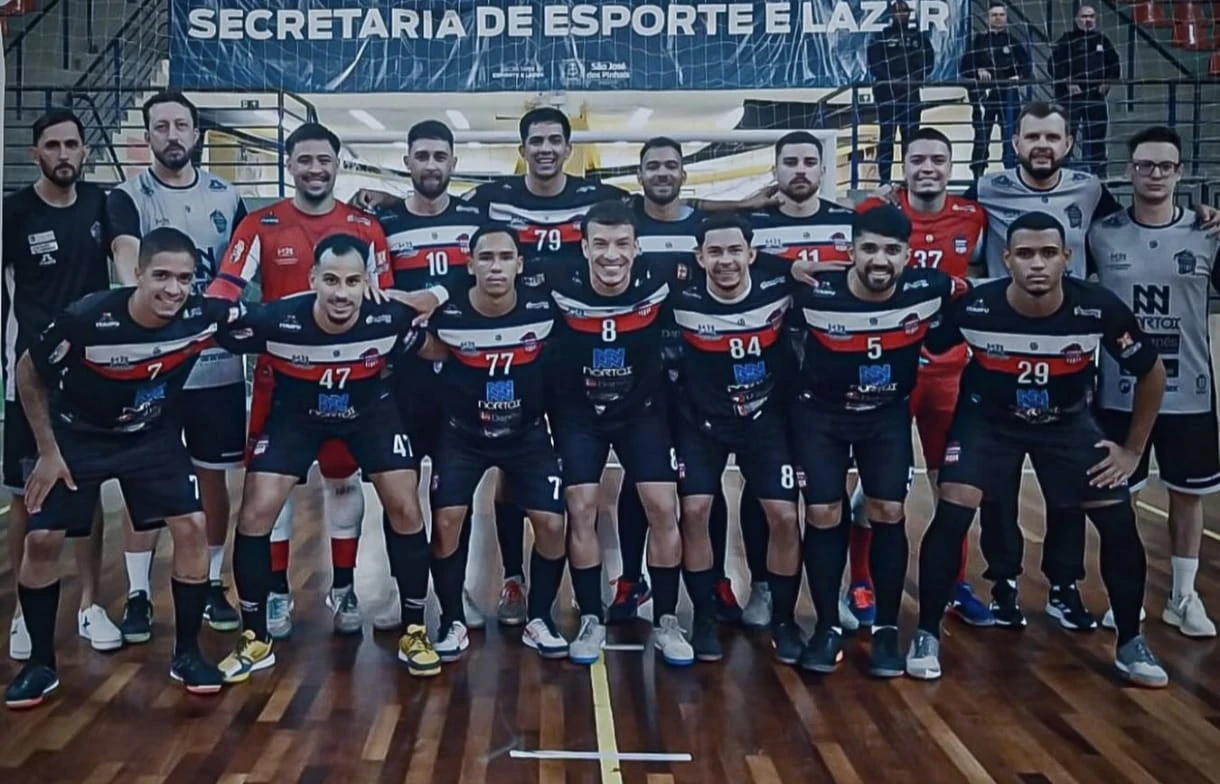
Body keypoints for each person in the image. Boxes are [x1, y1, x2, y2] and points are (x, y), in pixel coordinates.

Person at [909, 211, 1169, 688]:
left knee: (1117, 518)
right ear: (1006, 258)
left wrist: (1133, 451)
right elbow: (921, 345)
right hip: (988, 422)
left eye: (1048, 253)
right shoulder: (975, 306)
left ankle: (1131, 642)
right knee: (953, 507)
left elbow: (1152, 372)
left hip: (1065, 423)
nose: (1037, 264)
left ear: (1066, 258)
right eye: (1025, 254)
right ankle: (925, 634)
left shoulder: (1097, 307)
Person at [5, 227, 228, 709]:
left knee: (192, 526)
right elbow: (28, 368)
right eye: (161, 276)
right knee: (42, 540)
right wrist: (47, 450)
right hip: (77, 436)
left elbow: (278, 319)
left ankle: (188, 654)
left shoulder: (203, 315)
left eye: (184, 278)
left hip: (150, 436)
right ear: (138, 274)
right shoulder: (87, 318)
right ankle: (40, 664)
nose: (173, 289)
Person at [212, 234, 440, 682]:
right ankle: (255, 636)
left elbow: (441, 344)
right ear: (312, 278)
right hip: (297, 417)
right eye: (331, 280)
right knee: (256, 510)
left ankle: (415, 628)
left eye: (353, 281)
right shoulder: (273, 319)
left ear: (366, 283)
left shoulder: (390, 316)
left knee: (405, 505)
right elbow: (212, 325)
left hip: (369, 413)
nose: (341, 293)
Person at [207, 122, 396, 639]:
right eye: (305, 159)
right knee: (274, 491)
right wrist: (214, 316)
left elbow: (385, 298)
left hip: (351, 381)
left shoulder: (364, 226)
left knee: (344, 481)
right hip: (282, 381)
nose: (315, 169)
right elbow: (226, 287)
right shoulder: (261, 224)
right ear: (289, 164)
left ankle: (344, 587)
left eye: (324, 159)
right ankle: (275, 592)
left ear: (338, 164)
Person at [790, 204, 966, 677]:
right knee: (823, 513)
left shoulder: (932, 288)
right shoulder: (813, 291)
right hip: (820, 415)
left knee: (888, 510)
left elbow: (969, 308)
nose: (879, 259)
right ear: (851, 252)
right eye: (868, 248)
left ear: (908, 255)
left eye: (891, 250)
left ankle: (886, 629)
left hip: (886, 414)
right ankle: (827, 626)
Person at [107, 91, 247, 641]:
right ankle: (138, 592)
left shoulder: (226, 195)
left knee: (213, 474)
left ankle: (211, 581)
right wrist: (145, 305)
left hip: (214, 363)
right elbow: (125, 255)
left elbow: (241, 269)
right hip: (153, 365)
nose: (172, 135)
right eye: (161, 126)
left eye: (181, 125)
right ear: (147, 136)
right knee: (143, 474)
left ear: (195, 134)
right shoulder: (127, 196)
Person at [856, 128, 994, 627]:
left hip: (950, 372)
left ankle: (953, 584)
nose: (928, 168)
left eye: (938, 159)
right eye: (918, 159)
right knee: (876, 488)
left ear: (951, 166)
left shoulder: (974, 216)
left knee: (951, 487)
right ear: (904, 165)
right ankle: (861, 583)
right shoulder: (877, 213)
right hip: (890, 370)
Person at [609, 137, 745, 627]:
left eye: (671, 165)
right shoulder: (625, 229)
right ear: (640, 175)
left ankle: (716, 579)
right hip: (638, 373)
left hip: (699, 373)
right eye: (653, 166)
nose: (662, 173)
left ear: (684, 174)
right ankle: (631, 577)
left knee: (703, 485)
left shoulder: (701, 229)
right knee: (639, 478)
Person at [1089, 126, 1218, 638]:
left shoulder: (1207, 233)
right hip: (1120, 391)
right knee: (1119, 497)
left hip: (1191, 391)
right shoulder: (1102, 234)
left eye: (1165, 166)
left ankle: (1183, 597)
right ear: (1130, 171)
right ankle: (1126, 595)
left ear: (1180, 172)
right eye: (1145, 165)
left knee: (1188, 494)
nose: (1155, 174)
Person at [546, 200, 688, 666]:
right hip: (579, 414)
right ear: (584, 247)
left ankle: (666, 620)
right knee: (581, 507)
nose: (612, 255)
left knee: (663, 506)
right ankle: (591, 616)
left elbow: (733, 260)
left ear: (637, 247)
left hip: (641, 411)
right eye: (601, 244)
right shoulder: (555, 279)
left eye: (622, 244)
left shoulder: (662, 276)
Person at [2, 109, 119, 660]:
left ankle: (90, 604)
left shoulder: (101, 203)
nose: (64, 154)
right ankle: (24, 612)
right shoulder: (13, 214)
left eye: (72, 144)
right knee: (25, 494)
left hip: (89, 373)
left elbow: (125, 255)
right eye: (53, 146)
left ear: (84, 150)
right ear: (36, 154)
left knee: (84, 487)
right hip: (29, 376)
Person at [423, 224, 570, 660]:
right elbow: (418, 343)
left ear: (519, 265)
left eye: (505, 257)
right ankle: (452, 620)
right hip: (462, 435)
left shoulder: (545, 309)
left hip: (526, 434)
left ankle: (538, 617)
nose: (495, 267)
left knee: (552, 524)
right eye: (485, 258)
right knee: (447, 521)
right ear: (469, 265)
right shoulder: (447, 314)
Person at [369, 119, 486, 632]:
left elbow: (485, 273)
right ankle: (406, 593)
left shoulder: (476, 219)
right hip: (401, 377)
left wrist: (435, 295)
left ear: (454, 163)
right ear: (407, 163)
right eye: (422, 156)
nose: (432, 165)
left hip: (461, 375)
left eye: (440, 156)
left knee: (453, 498)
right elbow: (372, 287)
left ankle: (454, 594)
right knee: (399, 494)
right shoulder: (386, 222)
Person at [671, 213, 803, 663]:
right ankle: (704, 617)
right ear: (699, 257)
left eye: (734, 251)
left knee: (784, 516)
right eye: (714, 252)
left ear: (751, 254)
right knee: (695, 510)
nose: (725, 260)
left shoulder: (779, 291)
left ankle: (783, 620)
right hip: (702, 422)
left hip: (764, 420)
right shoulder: (680, 299)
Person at [745, 130, 860, 632]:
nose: (799, 170)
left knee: (828, 488)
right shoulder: (753, 226)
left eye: (808, 162)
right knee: (765, 483)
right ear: (775, 170)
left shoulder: (846, 224)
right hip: (766, 360)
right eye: (789, 162)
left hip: (830, 362)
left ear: (822, 169)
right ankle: (763, 585)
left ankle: (832, 593)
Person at [960, 2, 1031, 177]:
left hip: (1008, 95)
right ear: (987, 19)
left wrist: (1019, 77)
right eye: (994, 15)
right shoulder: (978, 41)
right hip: (985, 95)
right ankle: (977, 176)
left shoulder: (1013, 42)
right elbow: (964, 68)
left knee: (1011, 135)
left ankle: (1013, 174)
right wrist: (978, 71)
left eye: (1001, 15)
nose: (998, 18)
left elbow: (1027, 67)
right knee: (982, 136)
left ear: (1006, 18)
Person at [866, 0, 933, 184]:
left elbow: (928, 63)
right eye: (897, 11)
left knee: (911, 139)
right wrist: (891, 80)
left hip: (910, 94)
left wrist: (912, 79)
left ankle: (910, 179)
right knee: (887, 137)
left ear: (909, 14)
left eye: (904, 11)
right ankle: (884, 180)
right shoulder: (881, 37)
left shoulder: (919, 38)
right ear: (891, 14)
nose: (901, 14)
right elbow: (875, 63)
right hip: (887, 95)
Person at [1049, 5, 1119, 176]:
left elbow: (1115, 64)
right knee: (1066, 136)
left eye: (1091, 16)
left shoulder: (1102, 40)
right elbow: (1053, 64)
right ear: (1076, 19)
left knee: (1097, 138)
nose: (1088, 20)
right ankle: (1061, 174)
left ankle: (1099, 176)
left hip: (1095, 97)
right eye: (1084, 17)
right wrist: (1067, 82)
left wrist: (1107, 82)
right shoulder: (1067, 40)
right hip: (1070, 98)